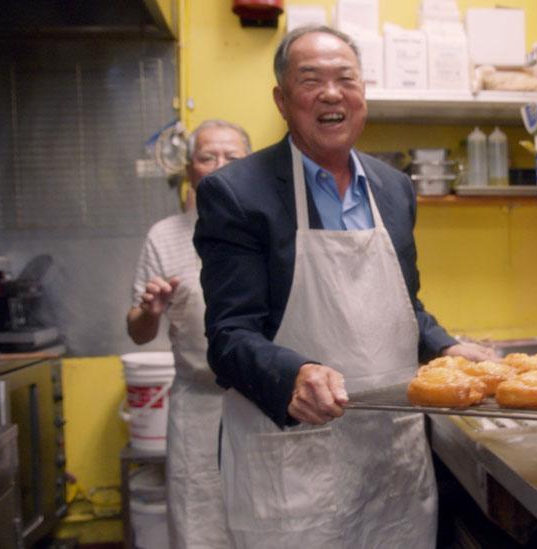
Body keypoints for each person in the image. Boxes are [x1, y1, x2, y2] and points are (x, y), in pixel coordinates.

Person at [194, 25, 495, 547]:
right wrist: (295, 374)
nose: (331, 93)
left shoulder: (394, 188)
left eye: (345, 79)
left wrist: (447, 346)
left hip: (391, 463)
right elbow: (229, 336)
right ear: (282, 100)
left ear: (362, 95)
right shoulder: (238, 193)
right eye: (310, 80)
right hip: (294, 467)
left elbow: (404, 308)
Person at [127, 119, 250, 549]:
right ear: (190, 168)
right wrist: (149, 310)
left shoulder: (267, 229)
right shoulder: (165, 237)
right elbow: (139, 333)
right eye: (207, 156)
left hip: (263, 405)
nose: (220, 166)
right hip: (198, 409)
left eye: (232, 157)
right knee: (201, 530)